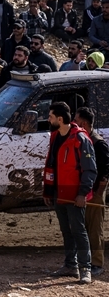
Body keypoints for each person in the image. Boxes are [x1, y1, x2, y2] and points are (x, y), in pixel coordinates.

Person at [43, 102, 96, 284]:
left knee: (78, 230)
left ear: (59, 119)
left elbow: (90, 170)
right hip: (60, 193)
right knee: (66, 231)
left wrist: (82, 194)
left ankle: (85, 268)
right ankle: (70, 265)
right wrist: (49, 192)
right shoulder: (55, 137)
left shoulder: (81, 139)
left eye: (50, 116)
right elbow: (51, 165)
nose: (48, 119)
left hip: (74, 196)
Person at [75, 107, 107, 277]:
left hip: (94, 191)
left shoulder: (98, 143)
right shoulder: (85, 140)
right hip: (85, 190)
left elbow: (104, 173)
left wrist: (97, 193)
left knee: (94, 228)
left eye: (77, 120)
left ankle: (97, 262)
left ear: (84, 123)